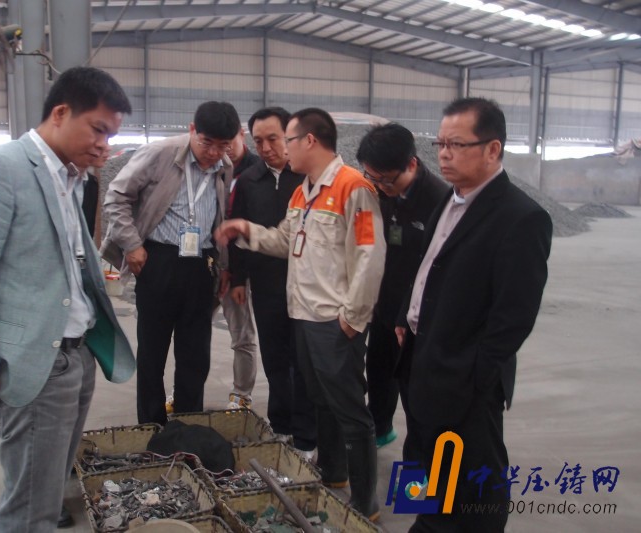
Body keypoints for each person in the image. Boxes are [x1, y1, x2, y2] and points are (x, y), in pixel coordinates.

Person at [0, 67, 135, 532]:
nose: (104, 146)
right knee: (30, 511)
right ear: (60, 113)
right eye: (98, 130)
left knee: (48, 492)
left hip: (75, 356)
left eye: (110, 136)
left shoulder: (72, 178)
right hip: (34, 365)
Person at [215, 108, 386, 520]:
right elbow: (285, 240)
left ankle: (365, 501)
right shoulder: (302, 193)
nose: (281, 150)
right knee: (321, 400)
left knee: (349, 409)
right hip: (304, 315)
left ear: (310, 140)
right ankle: (333, 474)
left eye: (286, 140)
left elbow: (370, 257)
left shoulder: (353, 188)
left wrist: (352, 319)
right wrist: (246, 230)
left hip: (335, 321)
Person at [395, 97, 552, 532]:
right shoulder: (449, 199)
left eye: (456, 144)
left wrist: (475, 373)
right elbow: (429, 267)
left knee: (473, 486)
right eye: (440, 143)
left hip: (464, 377)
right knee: (422, 461)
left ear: (492, 149)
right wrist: (406, 316)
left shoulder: (521, 218)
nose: (444, 154)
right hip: (421, 360)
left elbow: (514, 317)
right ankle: (422, 521)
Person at [102, 101, 240, 425]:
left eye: (223, 145)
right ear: (192, 130)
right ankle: (151, 426)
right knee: (153, 352)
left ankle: (187, 424)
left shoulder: (224, 165)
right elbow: (116, 197)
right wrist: (132, 244)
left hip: (201, 265)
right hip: (158, 260)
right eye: (207, 143)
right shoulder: (159, 154)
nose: (214, 153)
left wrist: (223, 265)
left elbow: (220, 216)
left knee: (195, 354)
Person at [228, 106, 317, 458]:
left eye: (273, 139)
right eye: (258, 141)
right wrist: (238, 278)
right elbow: (237, 232)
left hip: (308, 288)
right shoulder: (249, 181)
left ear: (290, 136)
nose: (265, 148)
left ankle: (307, 434)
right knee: (275, 359)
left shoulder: (308, 179)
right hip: (266, 285)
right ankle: (280, 426)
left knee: (304, 362)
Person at [355, 123, 448, 457]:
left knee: (413, 388)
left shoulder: (438, 200)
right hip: (384, 301)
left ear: (412, 164)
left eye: (386, 180)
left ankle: (421, 460)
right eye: (373, 177)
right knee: (379, 370)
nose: (380, 186)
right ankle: (381, 428)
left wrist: (411, 315)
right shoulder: (378, 191)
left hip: (416, 311)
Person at [220, 128, 260, 409]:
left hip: (238, 269)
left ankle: (241, 394)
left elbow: (253, 230)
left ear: (242, 135)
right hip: (209, 263)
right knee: (192, 332)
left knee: (242, 333)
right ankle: (184, 388)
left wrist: (238, 277)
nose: (223, 148)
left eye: (228, 141)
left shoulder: (256, 173)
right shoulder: (210, 167)